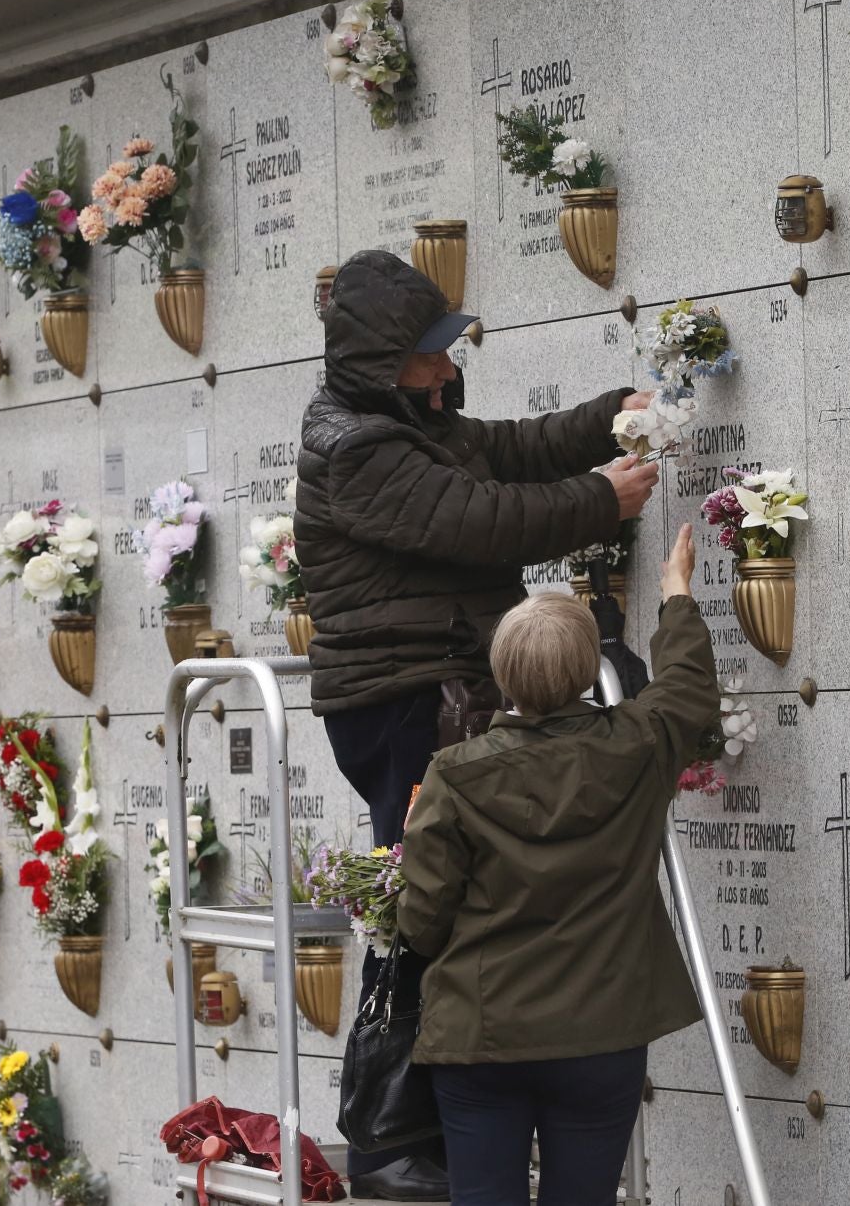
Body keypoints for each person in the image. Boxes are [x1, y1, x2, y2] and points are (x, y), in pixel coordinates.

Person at [295, 249, 660, 1200]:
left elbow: (510, 450)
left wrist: (607, 416)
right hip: (405, 702)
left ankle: (433, 1125)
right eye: (432, 357)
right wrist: (599, 501)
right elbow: (477, 519)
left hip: (441, 685)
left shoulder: (411, 418)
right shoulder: (357, 446)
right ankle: (395, 1134)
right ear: (386, 362)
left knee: (444, 898)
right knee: (425, 905)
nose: (450, 370)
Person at [398, 526, 718, 1206]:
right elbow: (686, 688)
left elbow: (422, 919)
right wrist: (677, 594)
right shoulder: (638, 744)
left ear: (502, 673)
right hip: (600, 1034)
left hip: (481, 1034)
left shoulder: (454, 775)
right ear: (584, 672)